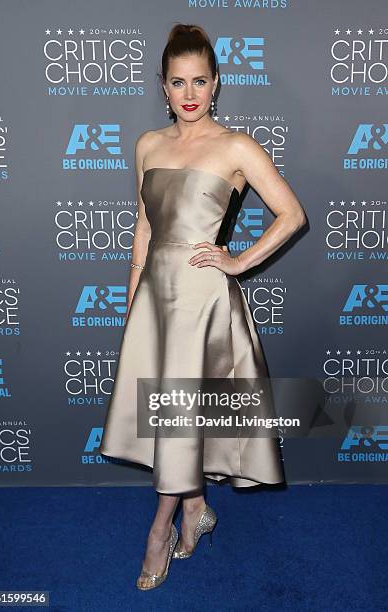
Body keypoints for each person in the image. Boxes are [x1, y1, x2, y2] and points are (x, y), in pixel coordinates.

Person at [99, 23, 307, 590]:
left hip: (203, 303)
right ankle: (195, 509)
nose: (188, 93)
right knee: (173, 417)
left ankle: (159, 529)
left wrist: (237, 262)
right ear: (162, 87)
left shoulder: (236, 146)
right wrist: (131, 296)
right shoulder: (147, 145)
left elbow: (292, 214)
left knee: (184, 415)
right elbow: (143, 228)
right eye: (176, 82)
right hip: (155, 301)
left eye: (199, 81)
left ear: (216, 84)